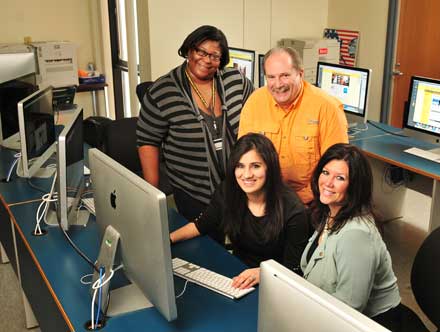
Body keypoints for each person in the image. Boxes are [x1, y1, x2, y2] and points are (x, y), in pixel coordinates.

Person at [137, 25, 254, 221]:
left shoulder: (237, 82)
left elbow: (259, 112)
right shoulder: (162, 91)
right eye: (201, 52)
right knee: (203, 246)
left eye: (215, 56)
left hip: (241, 186)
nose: (207, 60)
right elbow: (148, 140)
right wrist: (153, 195)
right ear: (189, 50)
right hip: (193, 191)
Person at [170, 133, 309, 289]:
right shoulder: (228, 191)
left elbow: (294, 269)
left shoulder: (294, 211)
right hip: (238, 273)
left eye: (255, 166)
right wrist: (168, 239)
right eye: (240, 166)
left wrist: (262, 272)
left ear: (270, 168)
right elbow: (201, 225)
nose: (247, 174)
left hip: (276, 283)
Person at [300, 143, 404, 331]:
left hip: (372, 324)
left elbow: (350, 308)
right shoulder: (330, 211)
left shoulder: (356, 235)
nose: (328, 183)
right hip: (327, 312)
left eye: (340, 178)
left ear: (355, 186)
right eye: (325, 173)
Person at [238, 47, 348, 205]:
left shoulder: (327, 108)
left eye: (285, 76)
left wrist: (295, 201)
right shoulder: (254, 102)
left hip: (311, 201)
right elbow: (243, 158)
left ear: (300, 74)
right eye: (271, 77)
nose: (278, 84)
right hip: (264, 197)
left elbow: (338, 169)